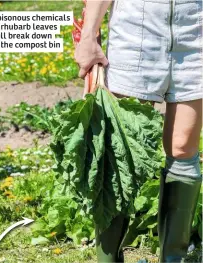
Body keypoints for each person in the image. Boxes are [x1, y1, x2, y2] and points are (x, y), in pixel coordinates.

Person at [74, 0, 203, 262]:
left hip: (195, 31)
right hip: (136, 31)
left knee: (183, 151)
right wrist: (89, 35)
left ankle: (173, 257)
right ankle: (108, 259)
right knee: (119, 152)